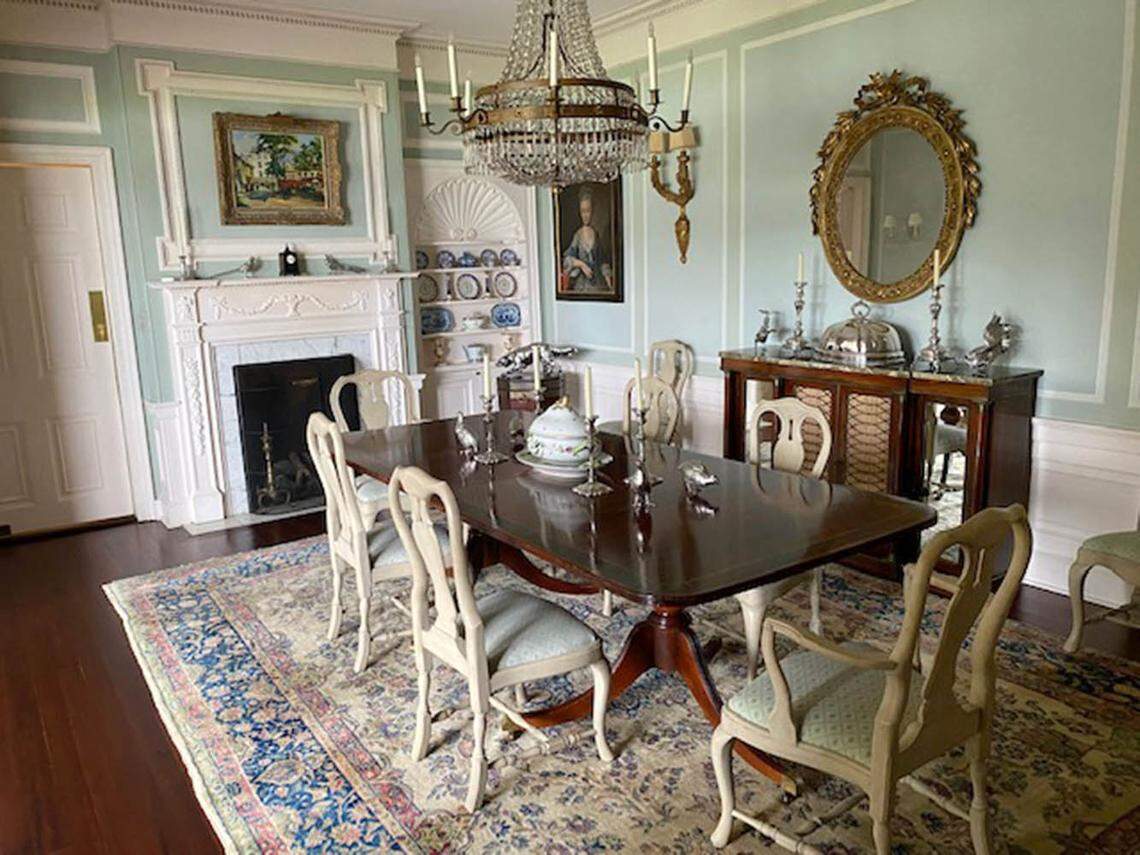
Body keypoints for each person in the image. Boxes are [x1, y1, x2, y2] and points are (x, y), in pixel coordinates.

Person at [561, 186, 613, 293]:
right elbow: (567, 259)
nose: (585, 215)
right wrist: (581, 264)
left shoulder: (595, 234)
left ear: (592, 211)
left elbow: (602, 260)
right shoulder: (578, 235)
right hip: (582, 285)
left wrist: (609, 282)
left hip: (598, 283)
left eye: (588, 211)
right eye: (583, 211)